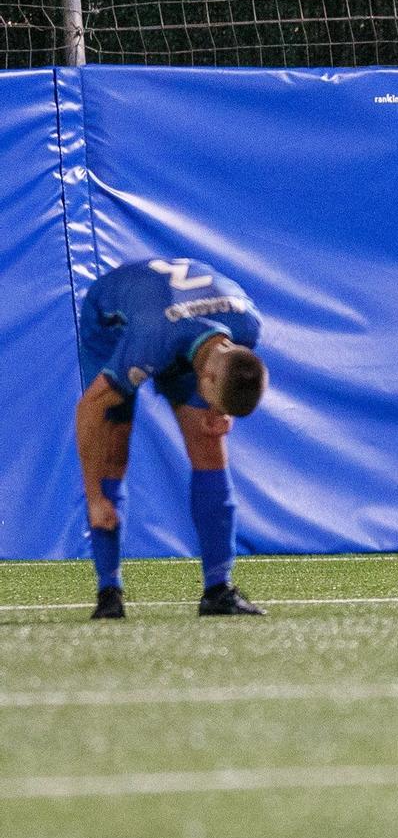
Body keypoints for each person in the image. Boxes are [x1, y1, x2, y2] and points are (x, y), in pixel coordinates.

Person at [74, 258, 270, 620]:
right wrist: (94, 495)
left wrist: (218, 412)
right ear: (206, 380)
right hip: (115, 324)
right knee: (113, 447)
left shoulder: (247, 326)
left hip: (182, 326)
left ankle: (217, 591)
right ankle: (109, 592)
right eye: (218, 406)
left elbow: (230, 382)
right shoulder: (151, 341)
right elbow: (89, 410)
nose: (220, 417)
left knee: (209, 445)